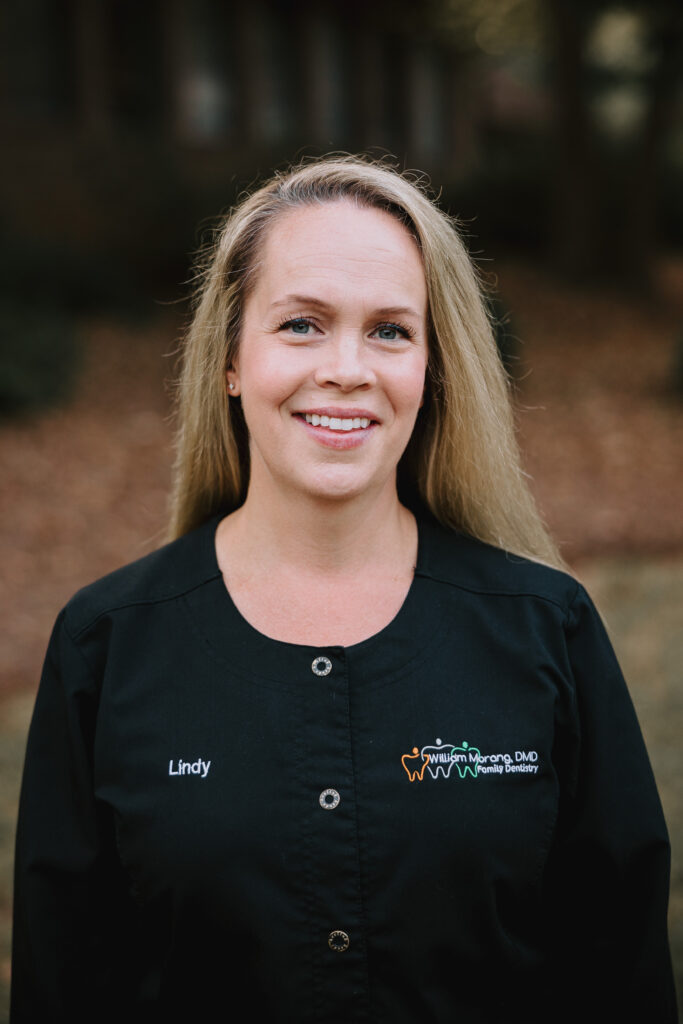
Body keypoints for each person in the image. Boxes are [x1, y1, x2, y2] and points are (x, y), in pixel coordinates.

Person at [11, 156, 676, 1023]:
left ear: (433, 371)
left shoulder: (548, 631)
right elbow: (62, 989)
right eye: (301, 325)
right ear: (229, 360)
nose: (348, 368)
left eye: (391, 331)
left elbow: (620, 977)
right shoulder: (107, 644)